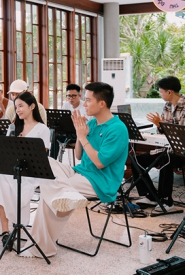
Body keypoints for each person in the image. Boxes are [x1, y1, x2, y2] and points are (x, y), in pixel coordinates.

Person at [23, 82, 129, 258]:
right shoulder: (92, 123)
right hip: (81, 171)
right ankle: (67, 194)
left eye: (88, 100)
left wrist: (82, 137)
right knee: (46, 163)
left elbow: (99, 163)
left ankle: (41, 248)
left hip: (100, 181)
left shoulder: (117, 129)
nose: (84, 104)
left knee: (53, 193)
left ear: (101, 103)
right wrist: (80, 134)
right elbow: (79, 156)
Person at [0, 92, 50, 241]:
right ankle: (4, 232)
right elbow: (5, 152)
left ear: (32, 106)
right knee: (1, 177)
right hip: (12, 170)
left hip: (29, 174)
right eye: (16, 107)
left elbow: (41, 157)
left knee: (0, 178)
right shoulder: (14, 127)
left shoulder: (42, 129)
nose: (17, 110)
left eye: (21, 106)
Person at [134, 76, 185, 212]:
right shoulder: (167, 106)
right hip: (166, 150)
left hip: (184, 152)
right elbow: (163, 132)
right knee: (137, 160)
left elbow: (183, 135)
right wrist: (159, 125)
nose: (160, 94)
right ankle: (151, 196)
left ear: (169, 92)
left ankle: (166, 201)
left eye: (161, 91)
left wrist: (161, 123)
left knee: (166, 159)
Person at [50, 83, 89, 159]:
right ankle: (52, 160)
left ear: (79, 95)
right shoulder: (66, 105)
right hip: (68, 132)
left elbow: (85, 124)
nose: (71, 98)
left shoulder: (84, 106)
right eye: (68, 96)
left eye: (73, 96)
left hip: (79, 134)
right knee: (54, 134)